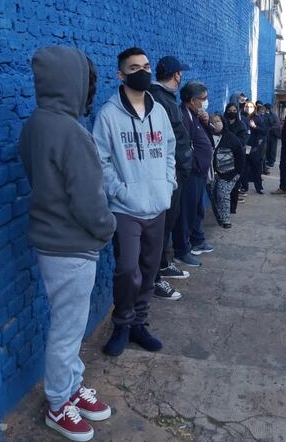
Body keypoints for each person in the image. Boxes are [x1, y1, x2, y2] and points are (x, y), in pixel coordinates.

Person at [18, 46, 116, 441]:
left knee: (67, 326)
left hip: (49, 243)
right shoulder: (72, 132)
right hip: (72, 247)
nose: (89, 90)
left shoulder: (35, 124)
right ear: (72, 84)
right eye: (86, 82)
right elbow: (89, 201)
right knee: (67, 330)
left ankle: (72, 386)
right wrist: (106, 228)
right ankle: (58, 404)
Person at [93, 47, 177, 357]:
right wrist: (119, 191)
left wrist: (168, 186)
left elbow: (169, 151)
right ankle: (122, 324)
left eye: (145, 66)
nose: (142, 72)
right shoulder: (108, 115)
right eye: (134, 67)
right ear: (120, 74)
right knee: (128, 269)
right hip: (126, 208)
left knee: (150, 268)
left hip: (157, 204)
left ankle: (140, 323)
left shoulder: (159, 112)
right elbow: (100, 160)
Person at [148, 56, 193, 301]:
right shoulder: (158, 100)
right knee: (161, 227)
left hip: (175, 171)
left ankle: (163, 265)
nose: (180, 77)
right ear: (176, 75)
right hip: (169, 174)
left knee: (169, 223)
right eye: (180, 73)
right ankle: (154, 279)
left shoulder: (164, 98)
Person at [173, 81, 214, 266]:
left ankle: (197, 240)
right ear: (192, 100)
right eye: (203, 99)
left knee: (197, 209)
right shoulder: (182, 116)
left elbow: (206, 138)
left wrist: (206, 122)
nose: (205, 102)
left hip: (200, 172)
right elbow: (184, 146)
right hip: (191, 173)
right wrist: (193, 165)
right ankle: (182, 250)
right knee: (186, 213)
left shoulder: (195, 115)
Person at [207, 113, 245, 228]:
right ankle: (219, 216)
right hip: (212, 174)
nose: (216, 123)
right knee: (213, 195)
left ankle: (225, 219)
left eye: (218, 121)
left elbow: (240, 156)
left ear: (223, 122)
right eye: (213, 121)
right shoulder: (207, 136)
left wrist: (237, 173)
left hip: (230, 174)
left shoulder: (231, 138)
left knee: (222, 193)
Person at [224, 102, 248, 215]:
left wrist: (229, 142)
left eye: (234, 110)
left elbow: (241, 141)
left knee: (235, 184)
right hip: (223, 158)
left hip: (237, 157)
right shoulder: (223, 123)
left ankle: (232, 208)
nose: (232, 112)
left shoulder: (241, 125)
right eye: (230, 110)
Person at [243, 101, 268, 194]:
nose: (248, 108)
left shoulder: (257, 119)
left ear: (254, 108)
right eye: (247, 106)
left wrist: (255, 126)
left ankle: (259, 187)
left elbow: (264, 131)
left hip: (253, 149)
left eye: (251, 107)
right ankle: (244, 187)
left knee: (256, 169)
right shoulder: (241, 117)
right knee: (244, 169)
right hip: (243, 148)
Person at [264, 102, 281, 168]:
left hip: (273, 134)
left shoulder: (273, 115)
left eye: (264, 108)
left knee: (272, 148)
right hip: (267, 134)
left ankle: (271, 161)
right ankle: (268, 160)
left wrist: (270, 128)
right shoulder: (266, 114)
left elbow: (277, 124)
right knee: (267, 148)